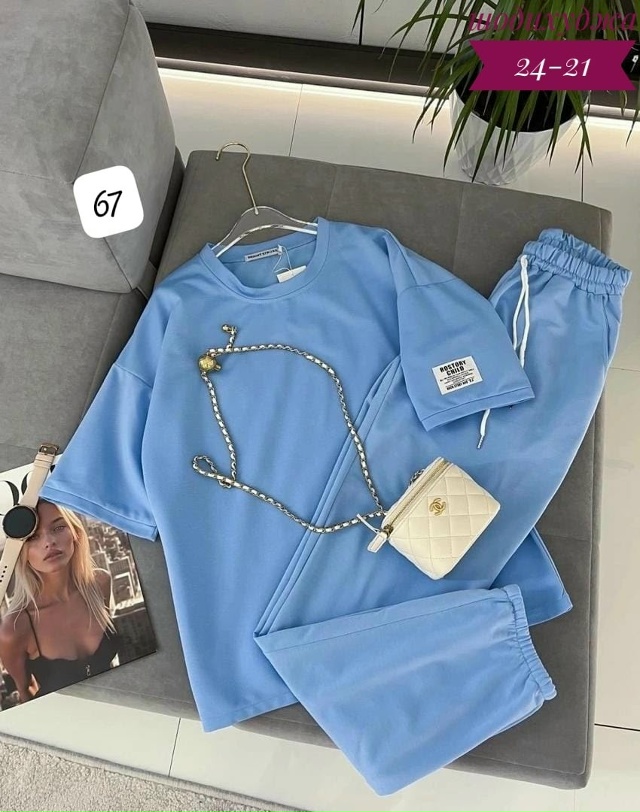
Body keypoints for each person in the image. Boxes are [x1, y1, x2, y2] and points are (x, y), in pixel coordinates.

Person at [0, 500, 119, 703]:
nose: (49, 542)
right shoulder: (15, 627)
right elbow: (26, 692)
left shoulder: (100, 584)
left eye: (58, 527)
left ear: (76, 533)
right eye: (33, 536)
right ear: (21, 551)